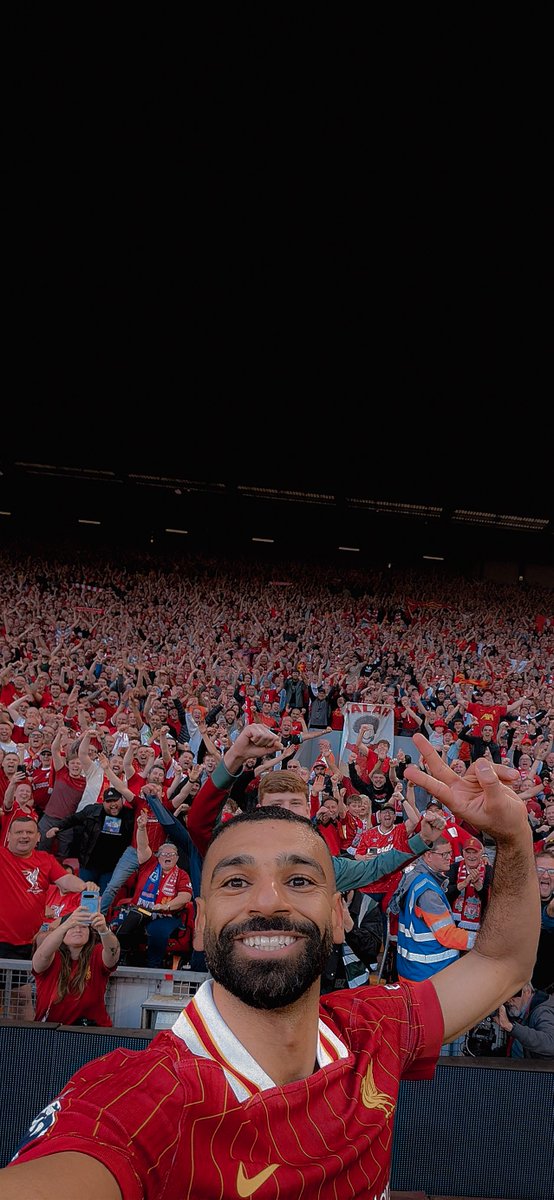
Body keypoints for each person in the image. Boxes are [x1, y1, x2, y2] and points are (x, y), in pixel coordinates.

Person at [2, 734, 541, 1198]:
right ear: (205, 918)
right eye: (236, 881)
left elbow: (502, 961)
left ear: (337, 916)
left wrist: (514, 839)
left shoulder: (375, 1030)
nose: (267, 902)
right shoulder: (136, 1101)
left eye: (300, 880)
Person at [115, 815, 192, 968]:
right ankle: (123, 959)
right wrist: (142, 828)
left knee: (156, 931)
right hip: (141, 910)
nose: (167, 856)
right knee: (125, 924)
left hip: (167, 915)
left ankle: (153, 966)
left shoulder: (182, 874)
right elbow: (143, 847)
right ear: (158, 856)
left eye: (171, 854)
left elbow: (185, 897)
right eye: (164, 853)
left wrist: (166, 906)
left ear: (177, 858)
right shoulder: (149, 865)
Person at [32, 905, 120, 1025]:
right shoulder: (52, 955)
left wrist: (104, 930)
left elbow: (113, 954)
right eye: (72, 927)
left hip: (92, 1030)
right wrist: (66, 924)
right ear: (62, 931)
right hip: (52, 1029)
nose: (78, 930)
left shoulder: (97, 952)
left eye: (83, 926)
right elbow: (41, 956)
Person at [44, 788, 136, 893]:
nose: (113, 804)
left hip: (112, 868)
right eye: (109, 801)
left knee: (102, 898)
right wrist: (58, 827)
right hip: (89, 865)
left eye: (115, 800)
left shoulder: (129, 815)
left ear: (122, 800)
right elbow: (73, 819)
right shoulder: (92, 810)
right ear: (103, 802)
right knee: (83, 894)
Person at [494, 981, 554, 1058]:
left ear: (528, 992)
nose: (508, 1000)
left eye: (514, 994)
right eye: (505, 996)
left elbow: (551, 1045)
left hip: (535, 1067)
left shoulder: (542, 1011)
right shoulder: (522, 1011)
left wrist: (511, 1027)